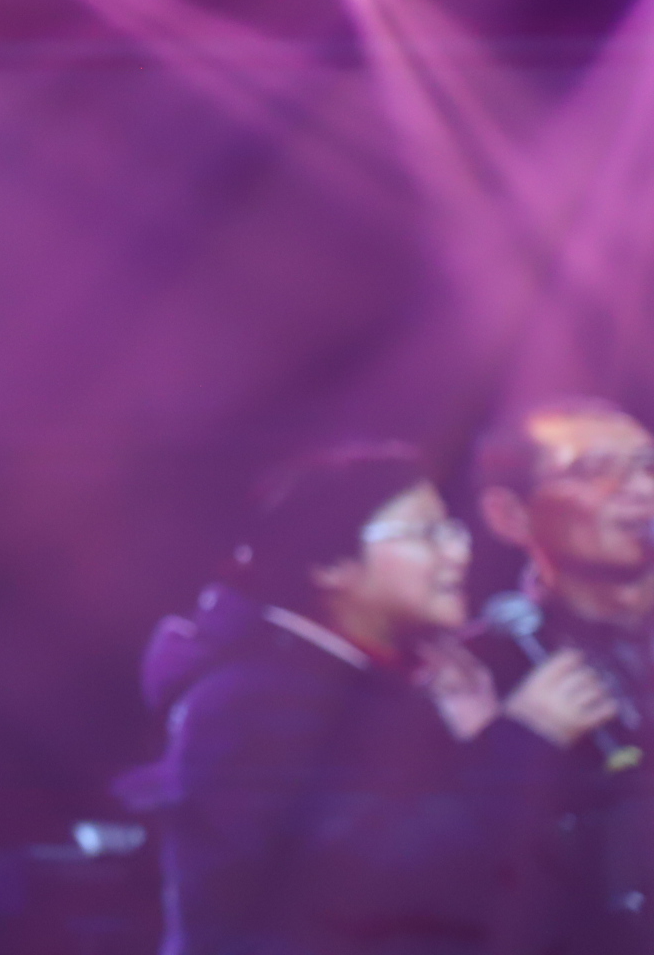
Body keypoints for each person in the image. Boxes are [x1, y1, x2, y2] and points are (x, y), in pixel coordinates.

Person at [128, 443, 618, 955]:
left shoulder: (388, 687)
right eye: (426, 533)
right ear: (330, 565)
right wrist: (526, 737)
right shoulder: (248, 703)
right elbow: (370, 880)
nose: (458, 552)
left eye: (453, 531)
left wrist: (476, 740)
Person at [471, 398, 654, 954]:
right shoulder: (478, 671)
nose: (641, 489)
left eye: (648, 466)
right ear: (510, 516)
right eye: (594, 471)